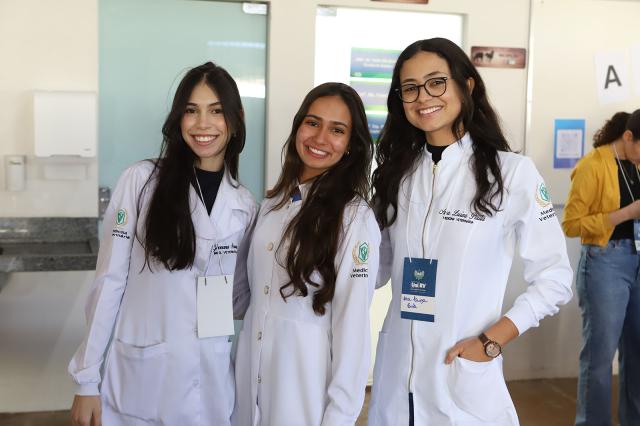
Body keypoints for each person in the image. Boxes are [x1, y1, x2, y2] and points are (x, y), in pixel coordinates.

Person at [368, 38, 573, 425]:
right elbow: (376, 269)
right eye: (410, 88)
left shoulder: (510, 174)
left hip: (460, 374)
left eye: (436, 82)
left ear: (467, 84)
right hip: (397, 374)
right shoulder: (397, 175)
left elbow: (555, 278)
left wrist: (492, 340)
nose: (423, 97)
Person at [68, 62, 257, 426]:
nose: (203, 124)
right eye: (191, 110)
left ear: (236, 119)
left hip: (212, 380)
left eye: (216, 111)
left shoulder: (244, 205)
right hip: (145, 379)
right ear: (178, 118)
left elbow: (235, 297)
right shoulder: (141, 182)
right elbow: (109, 281)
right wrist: (87, 379)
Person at [232, 82, 380, 426]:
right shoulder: (273, 203)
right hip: (250, 385)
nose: (320, 138)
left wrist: (339, 417)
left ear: (351, 145)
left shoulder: (354, 218)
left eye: (337, 130)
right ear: (298, 126)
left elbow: (353, 331)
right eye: (313, 123)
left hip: (305, 395)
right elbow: (251, 298)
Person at [563, 110, 640, 426]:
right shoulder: (592, 165)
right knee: (599, 357)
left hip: (637, 259)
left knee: (637, 352)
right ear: (628, 137)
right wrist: (626, 213)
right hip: (604, 262)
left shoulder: (637, 164)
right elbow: (570, 224)